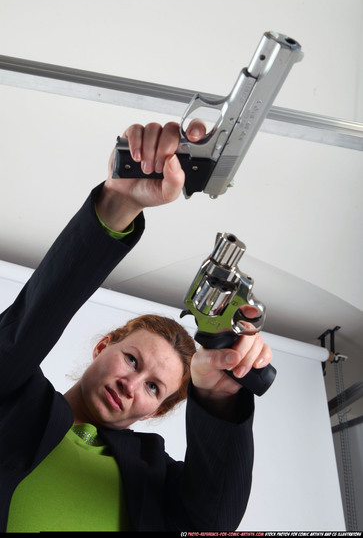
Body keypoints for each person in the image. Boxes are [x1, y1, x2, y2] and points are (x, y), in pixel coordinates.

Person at [0, 120, 273, 532]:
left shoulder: (154, 479)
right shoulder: (15, 401)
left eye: (152, 388)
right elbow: (18, 339)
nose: (132, 384)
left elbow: (215, 518)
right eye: (131, 360)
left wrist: (218, 398)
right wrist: (117, 204)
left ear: (157, 410)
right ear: (103, 346)